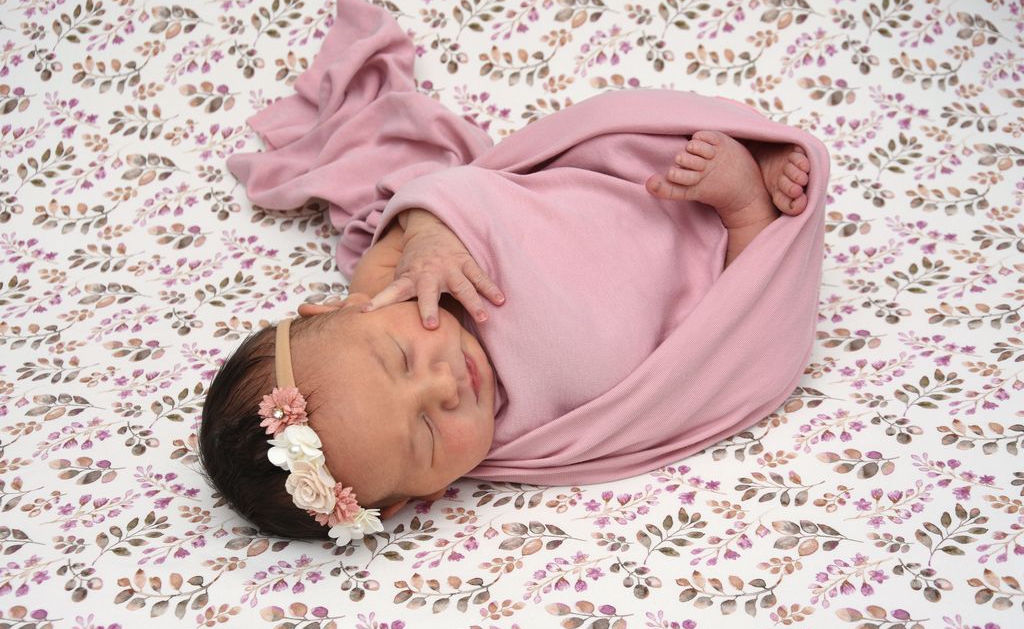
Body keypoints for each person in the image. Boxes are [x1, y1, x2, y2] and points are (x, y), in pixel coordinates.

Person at [198, 127, 812, 545]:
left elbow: (450, 191)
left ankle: (723, 178)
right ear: (416, 496)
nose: (443, 387)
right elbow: (672, 402)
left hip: (620, 206)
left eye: (402, 358)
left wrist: (431, 236)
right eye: (426, 433)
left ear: (341, 309)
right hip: (690, 302)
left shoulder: (387, 281)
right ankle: (746, 217)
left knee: (648, 163)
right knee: (728, 339)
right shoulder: (530, 451)